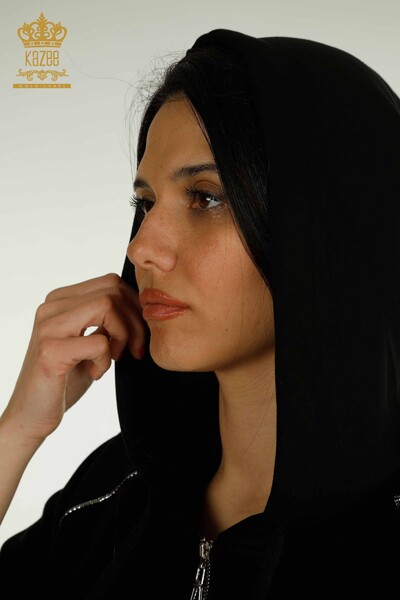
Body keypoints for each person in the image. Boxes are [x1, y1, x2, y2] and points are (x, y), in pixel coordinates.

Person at [1, 27, 400, 599]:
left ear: (326, 229)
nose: (141, 248)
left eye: (206, 197)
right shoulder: (111, 491)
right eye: (145, 203)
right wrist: (16, 432)